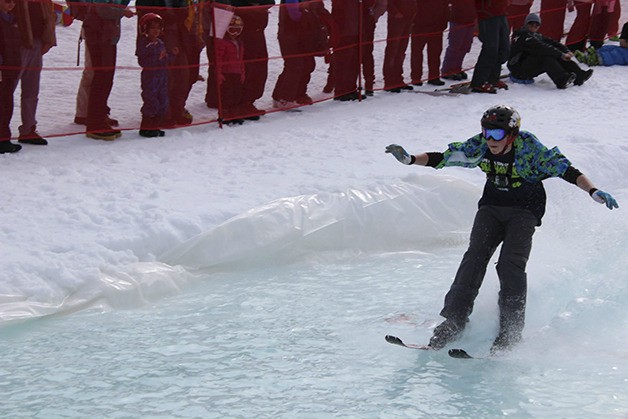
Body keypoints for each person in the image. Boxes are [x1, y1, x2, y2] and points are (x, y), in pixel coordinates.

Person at [385, 105, 618, 353]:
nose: (490, 140)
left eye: (497, 135)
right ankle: (454, 322)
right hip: (493, 205)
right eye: (487, 132)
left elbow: (566, 170)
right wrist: (410, 159)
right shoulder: (480, 145)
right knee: (474, 257)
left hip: (525, 209)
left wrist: (593, 191)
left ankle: (510, 334)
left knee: (510, 265)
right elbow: (444, 158)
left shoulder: (529, 148)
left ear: (512, 134)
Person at [82, 0, 133, 140]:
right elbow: (102, 9)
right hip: (100, 35)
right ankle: (94, 123)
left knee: (106, 78)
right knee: (102, 78)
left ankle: (100, 116)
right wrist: (122, 12)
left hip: (107, 35)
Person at [508, 13, 593, 89]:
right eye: (531, 24)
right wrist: (561, 55)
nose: (534, 26)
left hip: (528, 65)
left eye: (536, 25)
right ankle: (561, 79)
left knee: (554, 54)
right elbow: (542, 47)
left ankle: (579, 75)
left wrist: (566, 51)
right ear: (526, 24)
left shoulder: (536, 35)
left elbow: (553, 43)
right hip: (518, 69)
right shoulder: (522, 35)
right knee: (547, 56)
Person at [14, 0, 56, 146]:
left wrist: (49, 37)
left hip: (36, 41)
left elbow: (49, 12)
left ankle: (28, 128)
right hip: (15, 42)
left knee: (31, 89)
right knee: (6, 90)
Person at [136, 12, 169, 137]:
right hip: (150, 77)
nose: (156, 31)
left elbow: (165, 59)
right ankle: (146, 127)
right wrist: (157, 59)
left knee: (162, 101)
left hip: (162, 76)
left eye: (158, 28)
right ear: (145, 29)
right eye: (152, 28)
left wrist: (170, 56)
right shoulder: (144, 44)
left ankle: (155, 126)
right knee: (151, 101)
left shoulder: (160, 43)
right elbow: (143, 61)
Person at [470, 0, 511, 93]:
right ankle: (478, 83)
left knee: (503, 48)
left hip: (501, 12)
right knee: (490, 49)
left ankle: (493, 78)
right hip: (487, 15)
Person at [214, 14, 246, 124]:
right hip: (226, 74)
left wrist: (242, 72)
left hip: (236, 73)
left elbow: (241, 59)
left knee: (236, 95)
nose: (235, 33)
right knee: (226, 96)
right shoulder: (222, 43)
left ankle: (235, 114)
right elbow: (218, 59)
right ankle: (224, 115)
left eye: (238, 30)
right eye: (232, 30)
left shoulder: (239, 43)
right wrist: (219, 73)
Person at [0, 0, 22, 153]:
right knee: (2, 103)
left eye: (14, 1)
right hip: (2, 67)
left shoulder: (11, 18)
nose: (11, 3)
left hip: (10, 67)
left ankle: (4, 138)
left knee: (7, 102)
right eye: (7, 0)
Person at [410, 0, 449, 86]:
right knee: (417, 52)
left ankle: (434, 77)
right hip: (420, 25)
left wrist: (444, 22)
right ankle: (416, 77)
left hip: (437, 25)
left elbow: (445, 5)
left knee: (435, 52)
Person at [382, 0, 417, 92]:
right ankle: (389, 81)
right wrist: (395, 12)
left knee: (401, 50)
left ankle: (398, 78)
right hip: (397, 18)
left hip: (408, 17)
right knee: (392, 50)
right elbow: (388, 2)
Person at [441, 0, 476, 81]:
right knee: (455, 45)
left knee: (465, 45)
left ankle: (457, 67)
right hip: (458, 18)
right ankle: (447, 69)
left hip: (470, 18)